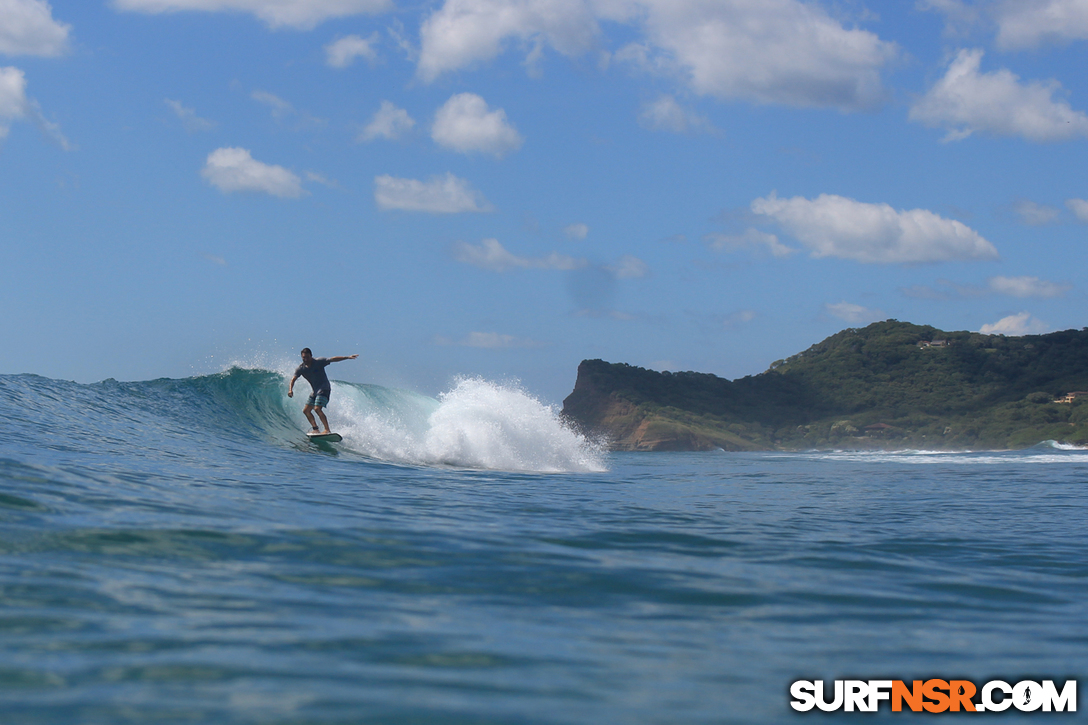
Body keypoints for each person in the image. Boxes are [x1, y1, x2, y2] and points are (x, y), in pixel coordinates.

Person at [288, 348, 358, 435]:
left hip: (324, 389)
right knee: (306, 411)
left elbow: (333, 359)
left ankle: (327, 429)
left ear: (311, 356)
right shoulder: (301, 368)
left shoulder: (318, 361)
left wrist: (347, 357)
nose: (305, 359)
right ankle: (315, 429)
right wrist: (290, 390)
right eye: (303, 358)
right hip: (315, 391)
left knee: (317, 408)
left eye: (307, 357)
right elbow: (293, 379)